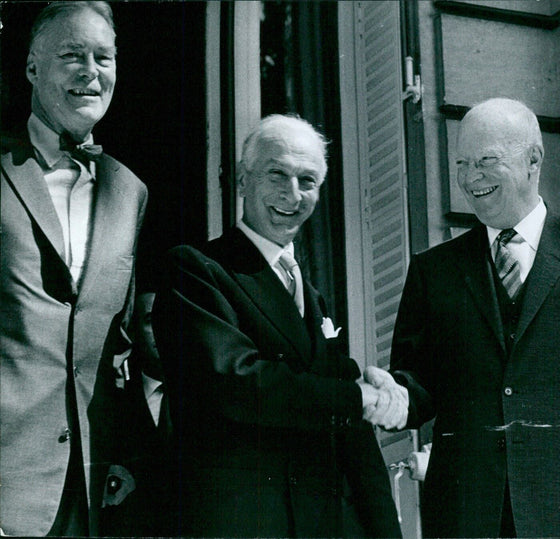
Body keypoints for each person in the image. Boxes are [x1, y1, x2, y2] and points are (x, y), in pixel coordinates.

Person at [380, 97, 560, 537]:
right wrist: (391, 395)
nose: (471, 178)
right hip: (466, 515)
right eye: (462, 163)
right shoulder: (433, 271)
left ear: (534, 159)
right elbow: (418, 385)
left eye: (487, 161)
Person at [151, 114, 402, 537]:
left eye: (307, 180)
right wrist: (353, 396)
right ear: (243, 180)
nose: (292, 194)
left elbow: (349, 430)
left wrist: (374, 386)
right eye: (277, 175)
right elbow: (238, 383)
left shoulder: (311, 293)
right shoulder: (197, 270)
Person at [0, 2, 148, 535]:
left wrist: (125, 449)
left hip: (88, 490)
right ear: (33, 69)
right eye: (72, 55)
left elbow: (119, 341)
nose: (91, 71)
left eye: (103, 57)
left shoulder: (130, 191)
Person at [100, 289, 174, 535]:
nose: (166, 330)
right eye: (152, 320)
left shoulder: (210, 404)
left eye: (172, 318)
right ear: (131, 331)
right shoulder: (112, 404)